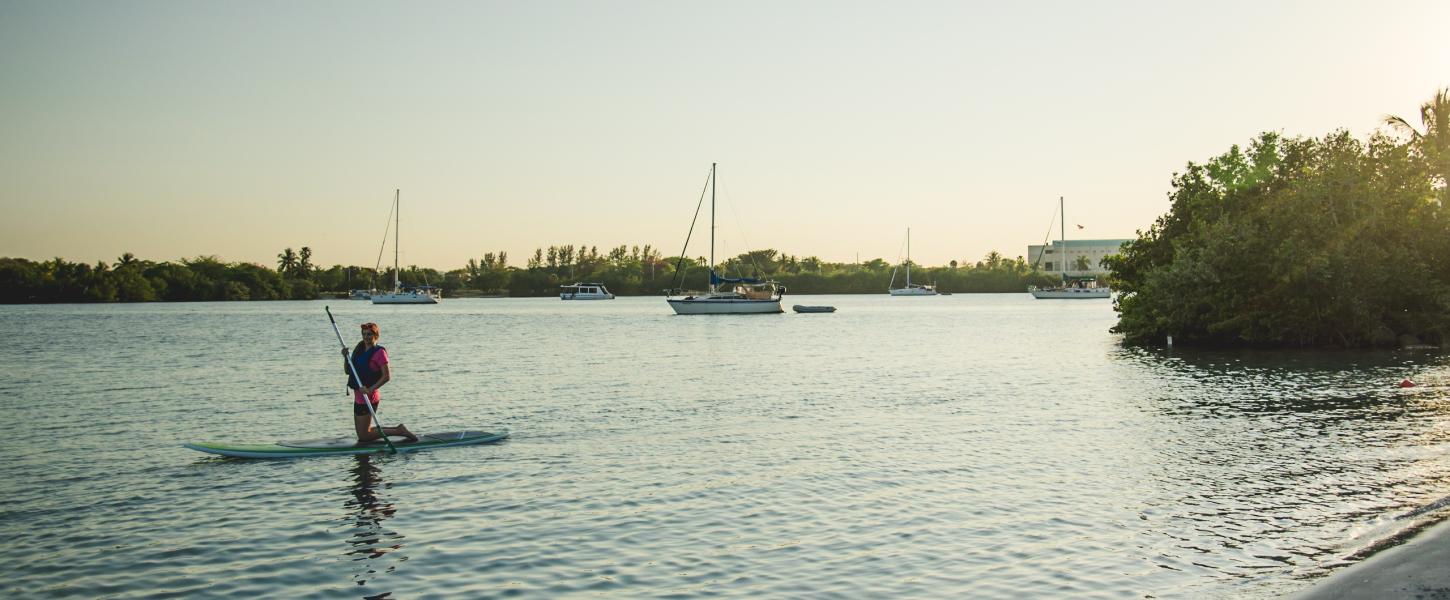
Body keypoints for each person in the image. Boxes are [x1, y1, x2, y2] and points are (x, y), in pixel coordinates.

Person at [343, 322, 417, 443]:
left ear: (376, 335)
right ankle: (398, 429)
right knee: (363, 434)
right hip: (358, 397)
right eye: (364, 334)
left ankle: (400, 431)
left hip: (369, 396)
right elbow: (348, 371)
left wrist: (369, 390)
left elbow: (386, 376)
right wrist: (346, 358)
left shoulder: (379, 352)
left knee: (364, 436)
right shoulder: (359, 349)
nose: (366, 337)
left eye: (369, 334)